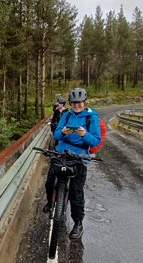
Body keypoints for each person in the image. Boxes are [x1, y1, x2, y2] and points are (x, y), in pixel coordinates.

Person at [50, 87, 102, 240]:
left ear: (84, 102)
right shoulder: (66, 115)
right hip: (62, 153)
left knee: (76, 192)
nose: (77, 106)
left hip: (80, 156)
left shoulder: (91, 117)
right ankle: (53, 204)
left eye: (79, 103)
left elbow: (95, 140)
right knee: (51, 180)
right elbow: (56, 134)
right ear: (70, 103)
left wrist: (84, 134)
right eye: (74, 103)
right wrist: (63, 132)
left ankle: (78, 223)